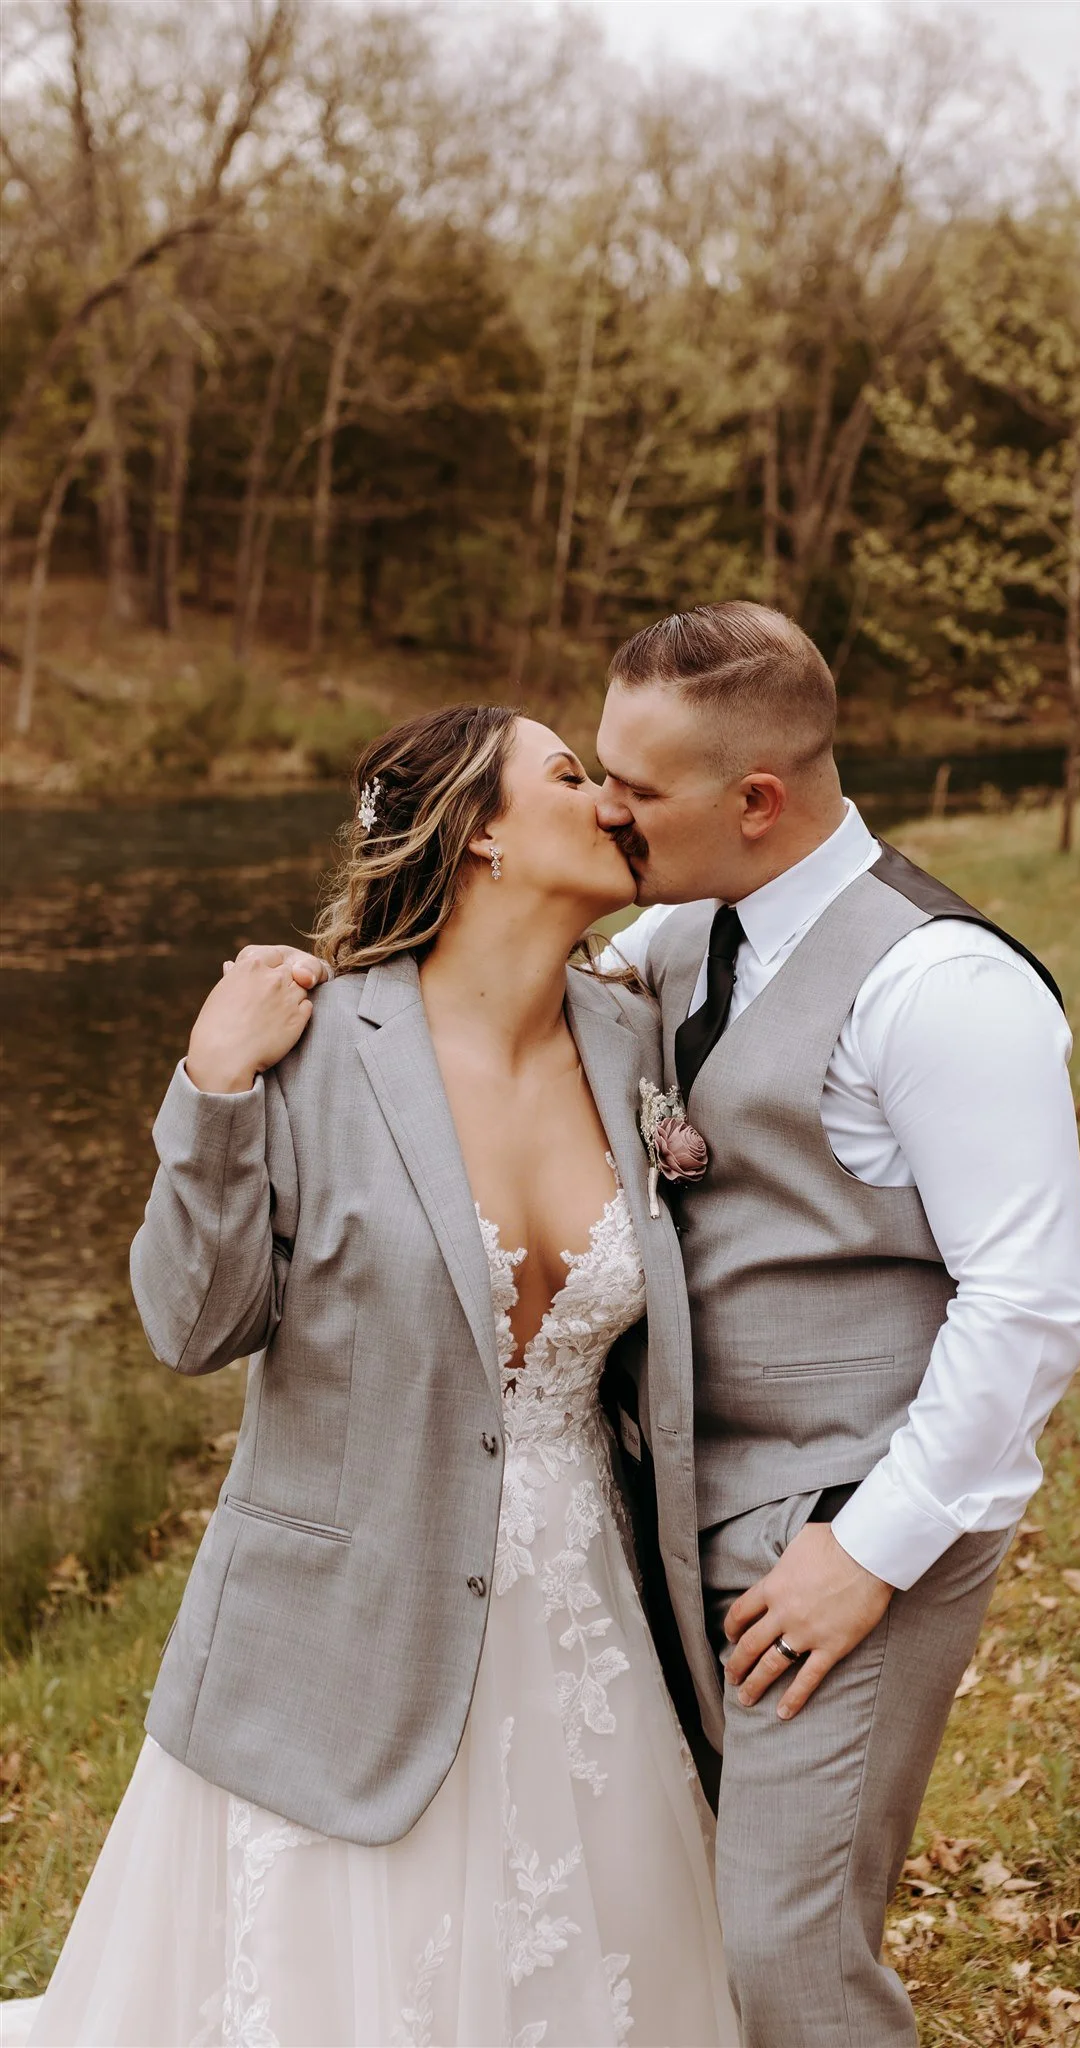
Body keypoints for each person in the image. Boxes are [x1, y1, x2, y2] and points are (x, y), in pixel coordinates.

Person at [3, 706, 737, 2048]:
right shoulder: (315, 1042)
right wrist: (211, 1087)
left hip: (583, 1630)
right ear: (481, 837)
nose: (614, 801)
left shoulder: (632, 1038)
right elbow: (192, 1326)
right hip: (336, 1635)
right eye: (571, 775)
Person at [590, 602, 1080, 2047]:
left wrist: (866, 1555)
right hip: (693, 1498)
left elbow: (1029, 1304)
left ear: (756, 801)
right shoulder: (681, 929)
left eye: (636, 787)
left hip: (852, 1512)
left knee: (790, 1952)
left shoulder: (943, 987)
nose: (607, 810)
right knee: (700, 1914)